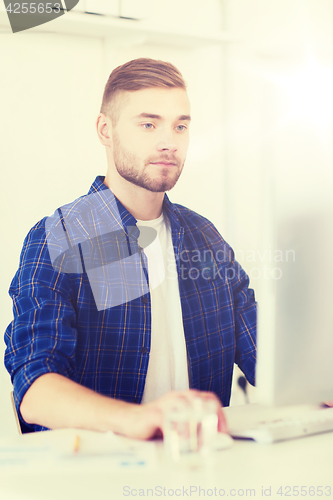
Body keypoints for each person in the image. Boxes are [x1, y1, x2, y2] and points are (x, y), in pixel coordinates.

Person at [4, 58, 257, 438]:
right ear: (106, 130)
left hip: (202, 469)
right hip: (97, 480)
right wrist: (138, 420)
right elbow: (36, 389)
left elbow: (266, 355)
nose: (168, 141)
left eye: (180, 126)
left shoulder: (205, 238)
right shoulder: (61, 236)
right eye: (148, 124)